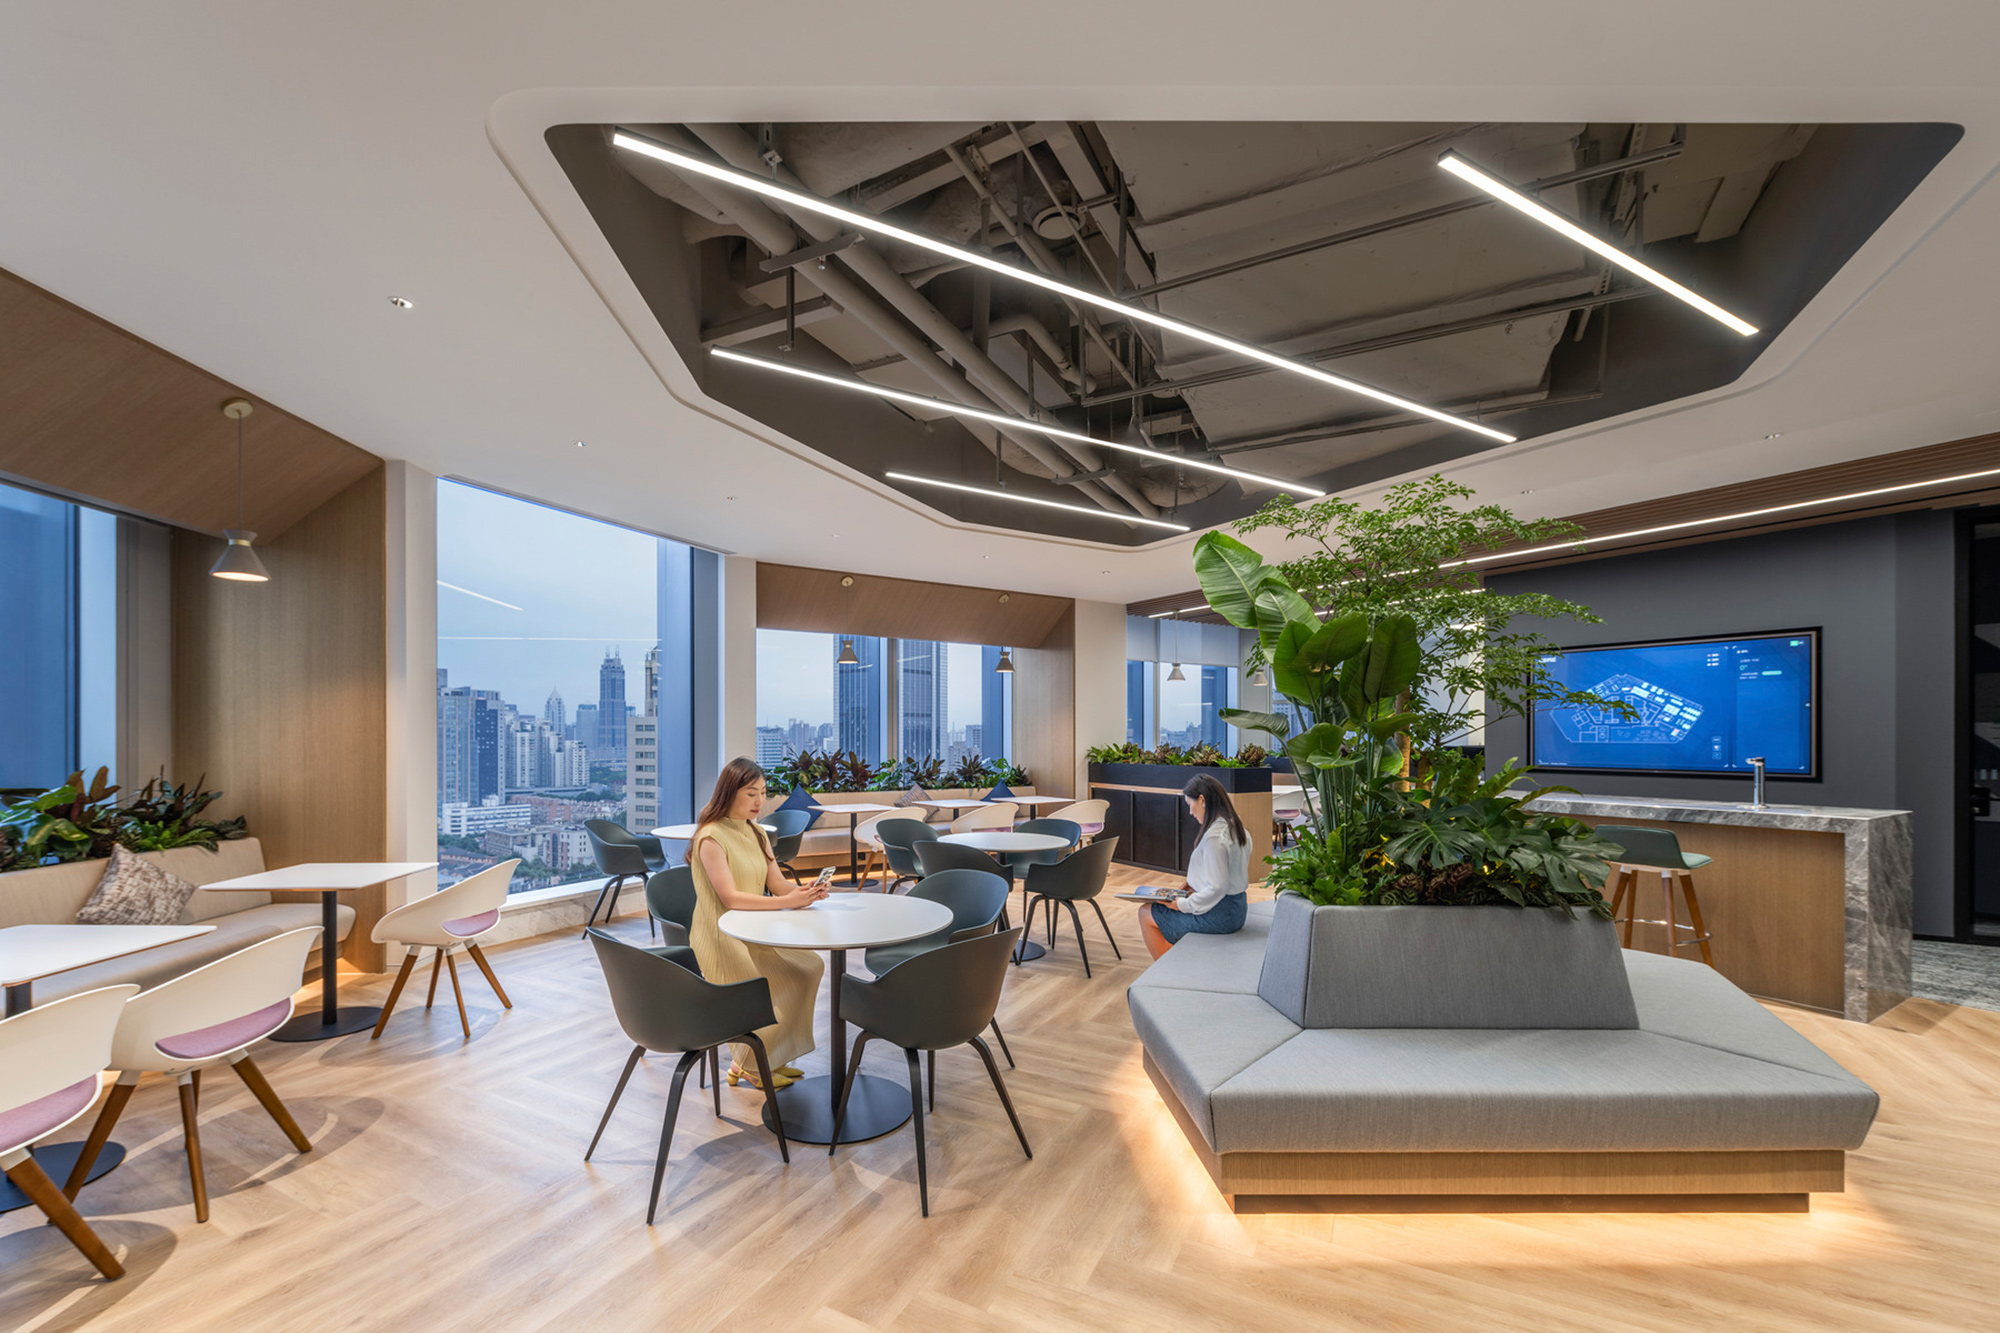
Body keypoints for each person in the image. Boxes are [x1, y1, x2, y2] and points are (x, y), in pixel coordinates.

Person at [687, 757, 829, 1089]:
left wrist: (804, 891)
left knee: (808, 968)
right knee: (759, 992)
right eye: (751, 793)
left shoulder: (757, 832)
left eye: (763, 793)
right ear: (729, 792)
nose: (759, 801)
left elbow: (777, 884)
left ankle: (764, 1058)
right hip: (720, 934)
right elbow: (730, 898)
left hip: (753, 929)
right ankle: (752, 1064)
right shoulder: (710, 837)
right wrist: (787, 903)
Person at [1138, 772, 1250, 960]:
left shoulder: (1214, 838)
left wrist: (1182, 904)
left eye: (1190, 804)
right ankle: (1175, 963)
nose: (1190, 812)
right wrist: (1191, 885)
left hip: (1219, 915)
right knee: (1158, 909)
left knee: (1145, 912)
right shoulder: (1236, 828)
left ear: (1202, 800)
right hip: (1236, 909)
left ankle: (1166, 970)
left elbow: (1218, 887)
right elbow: (1229, 875)